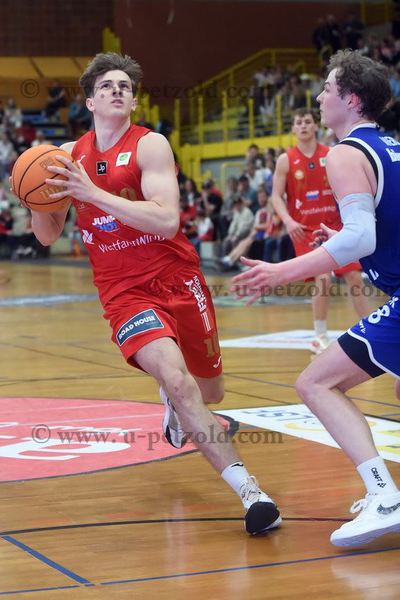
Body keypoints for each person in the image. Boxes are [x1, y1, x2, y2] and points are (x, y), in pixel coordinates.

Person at [20, 52, 281, 536]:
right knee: (180, 382)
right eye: (107, 86)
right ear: (90, 101)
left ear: (134, 101)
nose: (117, 91)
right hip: (124, 292)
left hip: (177, 277)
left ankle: (173, 402)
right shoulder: (66, 158)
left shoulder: (150, 145)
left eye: (125, 86)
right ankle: (252, 493)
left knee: (211, 391)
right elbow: (47, 235)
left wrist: (92, 193)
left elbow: (165, 220)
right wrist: (34, 194)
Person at [232, 49, 400, 547]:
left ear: (351, 99)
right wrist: (349, 236)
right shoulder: (391, 146)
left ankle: (384, 495)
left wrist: (280, 271)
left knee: (315, 383)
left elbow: (360, 238)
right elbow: (376, 231)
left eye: (327, 88)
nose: (320, 96)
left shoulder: (344, 153)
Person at [272, 108, 371, 353]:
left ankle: (369, 330)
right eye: (299, 122)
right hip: (305, 230)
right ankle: (319, 335)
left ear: (315, 126)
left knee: (354, 276)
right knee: (323, 277)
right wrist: (288, 221)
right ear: (293, 128)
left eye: (307, 121)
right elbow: (276, 196)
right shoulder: (286, 159)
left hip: (335, 226)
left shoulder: (332, 153)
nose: (303, 126)